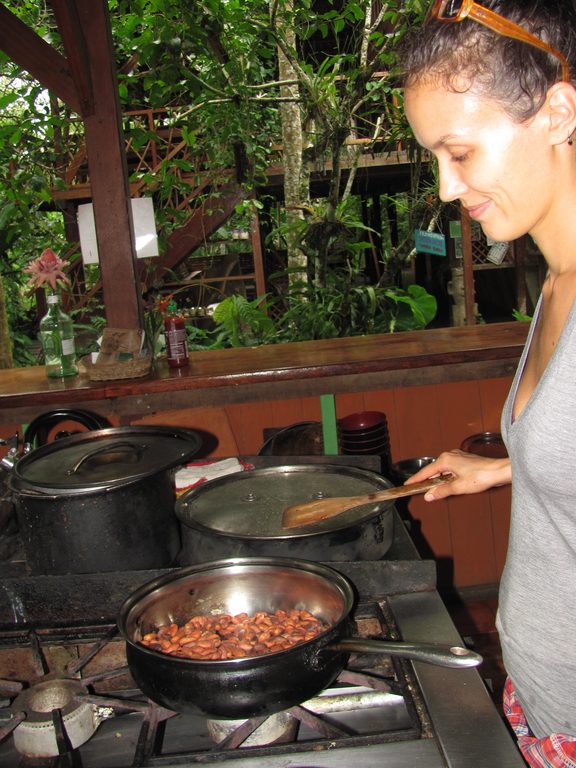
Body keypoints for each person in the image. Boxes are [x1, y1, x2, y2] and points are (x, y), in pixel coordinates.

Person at [398, 1, 576, 765]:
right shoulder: (557, 281)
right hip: (541, 692)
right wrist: (508, 467)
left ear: (558, 112)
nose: (445, 185)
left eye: (461, 152)